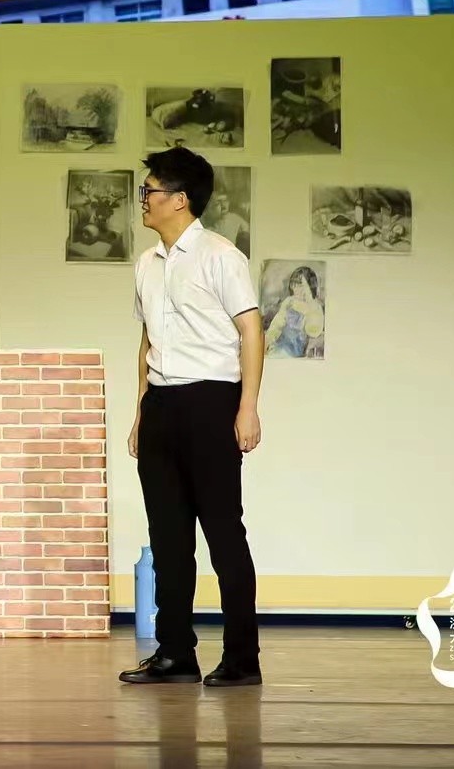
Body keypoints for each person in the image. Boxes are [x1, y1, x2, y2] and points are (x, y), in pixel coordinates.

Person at [122, 147, 265, 688]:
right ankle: (175, 653)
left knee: (224, 534)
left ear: (180, 200)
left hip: (211, 401)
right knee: (167, 539)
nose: (143, 199)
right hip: (161, 405)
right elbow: (147, 341)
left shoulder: (221, 256)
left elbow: (252, 331)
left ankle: (242, 658)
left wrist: (247, 407)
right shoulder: (146, 264)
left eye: (150, 190)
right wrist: (140, 411)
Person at [265, 266, 324, 359]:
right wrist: (268, 340)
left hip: (295, 348)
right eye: (294, 285)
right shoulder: (289, 302)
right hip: (280, 344)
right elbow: (277, 324)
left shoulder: (314, 306)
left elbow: (314, 331)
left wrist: (307, 310)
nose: (296, 289)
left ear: (310, 286)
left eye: (300, 285)